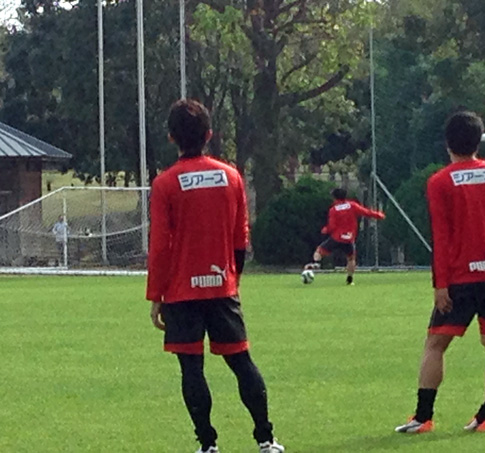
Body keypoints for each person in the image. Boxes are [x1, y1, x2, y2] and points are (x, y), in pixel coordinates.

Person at [146, 99, 284, 453]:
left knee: (191, 368)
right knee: (241, 362)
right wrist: (233, 280)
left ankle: (207, 444)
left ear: (171, 137)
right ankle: (266, 439)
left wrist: (156, 296)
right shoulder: (231, 176)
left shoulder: (165, 184)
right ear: (209, 134)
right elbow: (241, 237)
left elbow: (159, 246)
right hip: (222, 287)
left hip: (181, 292)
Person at [395, 111, 485, 434]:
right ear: (479, 140)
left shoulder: (440, 182)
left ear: (447, 142)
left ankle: (423, 417)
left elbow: (441, 237)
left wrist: (440, 284)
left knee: (435, 344)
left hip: (461, 279)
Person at [304, 188, 385, 285]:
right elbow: (366, 212)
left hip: (336, 238)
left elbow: (332, 226)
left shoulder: (333, 210)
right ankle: (350, 279)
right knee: (351, 259)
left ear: (334, 197)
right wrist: (378, 215)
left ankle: (316, 263)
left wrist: (326, 229)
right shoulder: (352, 205)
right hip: (349, 239)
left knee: (319, 251)